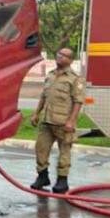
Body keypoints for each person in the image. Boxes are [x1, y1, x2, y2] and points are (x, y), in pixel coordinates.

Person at [30, 48, 84, 194]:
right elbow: (43, 96)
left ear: (70, 60)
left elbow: (78, 101)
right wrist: (36, 113)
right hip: (47, 121)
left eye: (63, 56)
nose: (59, 57)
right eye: (58, 54)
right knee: (40, 149)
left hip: (63, 123)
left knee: (64, 152)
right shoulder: (50, 75)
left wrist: (71, 121)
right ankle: (42, 177)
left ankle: (62, 181)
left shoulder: (74, 79)